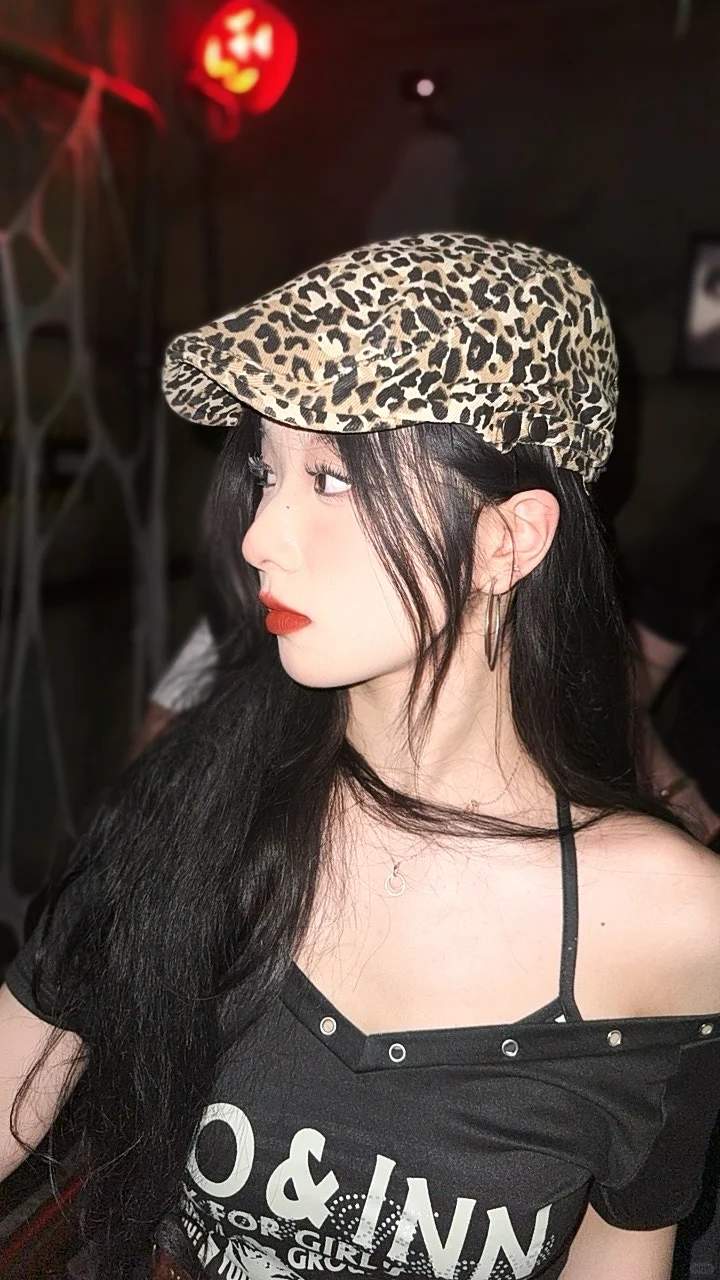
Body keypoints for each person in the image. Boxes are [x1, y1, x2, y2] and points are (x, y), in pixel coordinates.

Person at [2, 233, 720, 1280]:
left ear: (507, 540)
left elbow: (622, 1252)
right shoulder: (196, 802)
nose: (261, 534)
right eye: (267, 471)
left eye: (332, 477)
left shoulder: (676, 919)